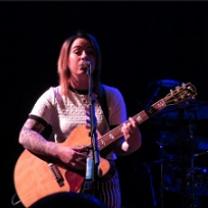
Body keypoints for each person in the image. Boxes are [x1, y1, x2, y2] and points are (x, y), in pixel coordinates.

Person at [18, 31, 142, 208]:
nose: (85, 56)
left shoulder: (111, 96)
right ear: (66, 60)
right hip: (66, 185)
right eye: (78, 51)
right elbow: (25, 135)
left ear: (97, 60)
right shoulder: (53, 96)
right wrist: (58, 151)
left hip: (104, 181)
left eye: (91, 52)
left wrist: (133, 141)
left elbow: (120, 147)